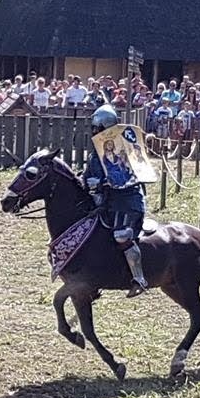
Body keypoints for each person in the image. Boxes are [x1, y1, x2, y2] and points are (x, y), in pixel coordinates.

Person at [83, 104, 147, 297]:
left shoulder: (125, 149)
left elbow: (130, 176)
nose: (95, 132)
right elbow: (89, 176)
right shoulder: (96, 153)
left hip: (127, 201)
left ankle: (139, 279)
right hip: (105, 202)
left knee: (121, 235)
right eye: (94, 128)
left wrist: (105, 182)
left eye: (98, 128)